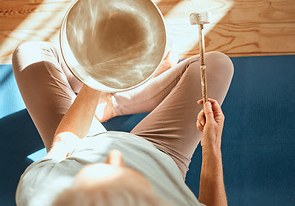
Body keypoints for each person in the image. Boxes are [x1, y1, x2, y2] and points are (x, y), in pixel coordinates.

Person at [12, 41, 234, 206]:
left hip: (84, 140)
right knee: (218, 65)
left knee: (30, 53)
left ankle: (109, 103)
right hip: (165, 155)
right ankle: (113, 104)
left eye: (98, 172)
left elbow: (66, 142)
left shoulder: (38, 193)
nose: (116, 156)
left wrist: (97, 80)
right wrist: (211, 146)